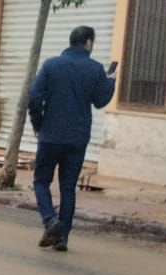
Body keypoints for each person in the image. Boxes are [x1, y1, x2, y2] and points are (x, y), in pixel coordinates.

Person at [28, 25, 117, 251]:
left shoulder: (51, 65)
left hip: (50, 135)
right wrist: (111, 81)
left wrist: (38, 124)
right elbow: (100, 101)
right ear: (87, 42)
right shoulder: (95, 69)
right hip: (77, 138)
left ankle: (50, 220)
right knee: (68, 187)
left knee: (41, 181)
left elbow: (35, 97)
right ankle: (62, 237)